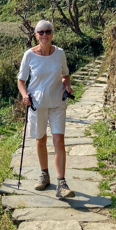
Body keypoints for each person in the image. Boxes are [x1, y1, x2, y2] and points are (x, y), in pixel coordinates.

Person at [17, 20, 75, 199]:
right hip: (37, 104)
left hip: (57, 102)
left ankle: (62, 183)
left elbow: (65, 74)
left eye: (47, 31)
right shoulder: (29, 55)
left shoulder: (60, 54)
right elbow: (21, 80)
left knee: (59, 141)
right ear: (36, 35)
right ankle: (44, 174)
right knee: (40, 140)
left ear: (52, 33)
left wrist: (67, 86)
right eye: (40, 32)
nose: (44, 35)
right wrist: (24, 95)